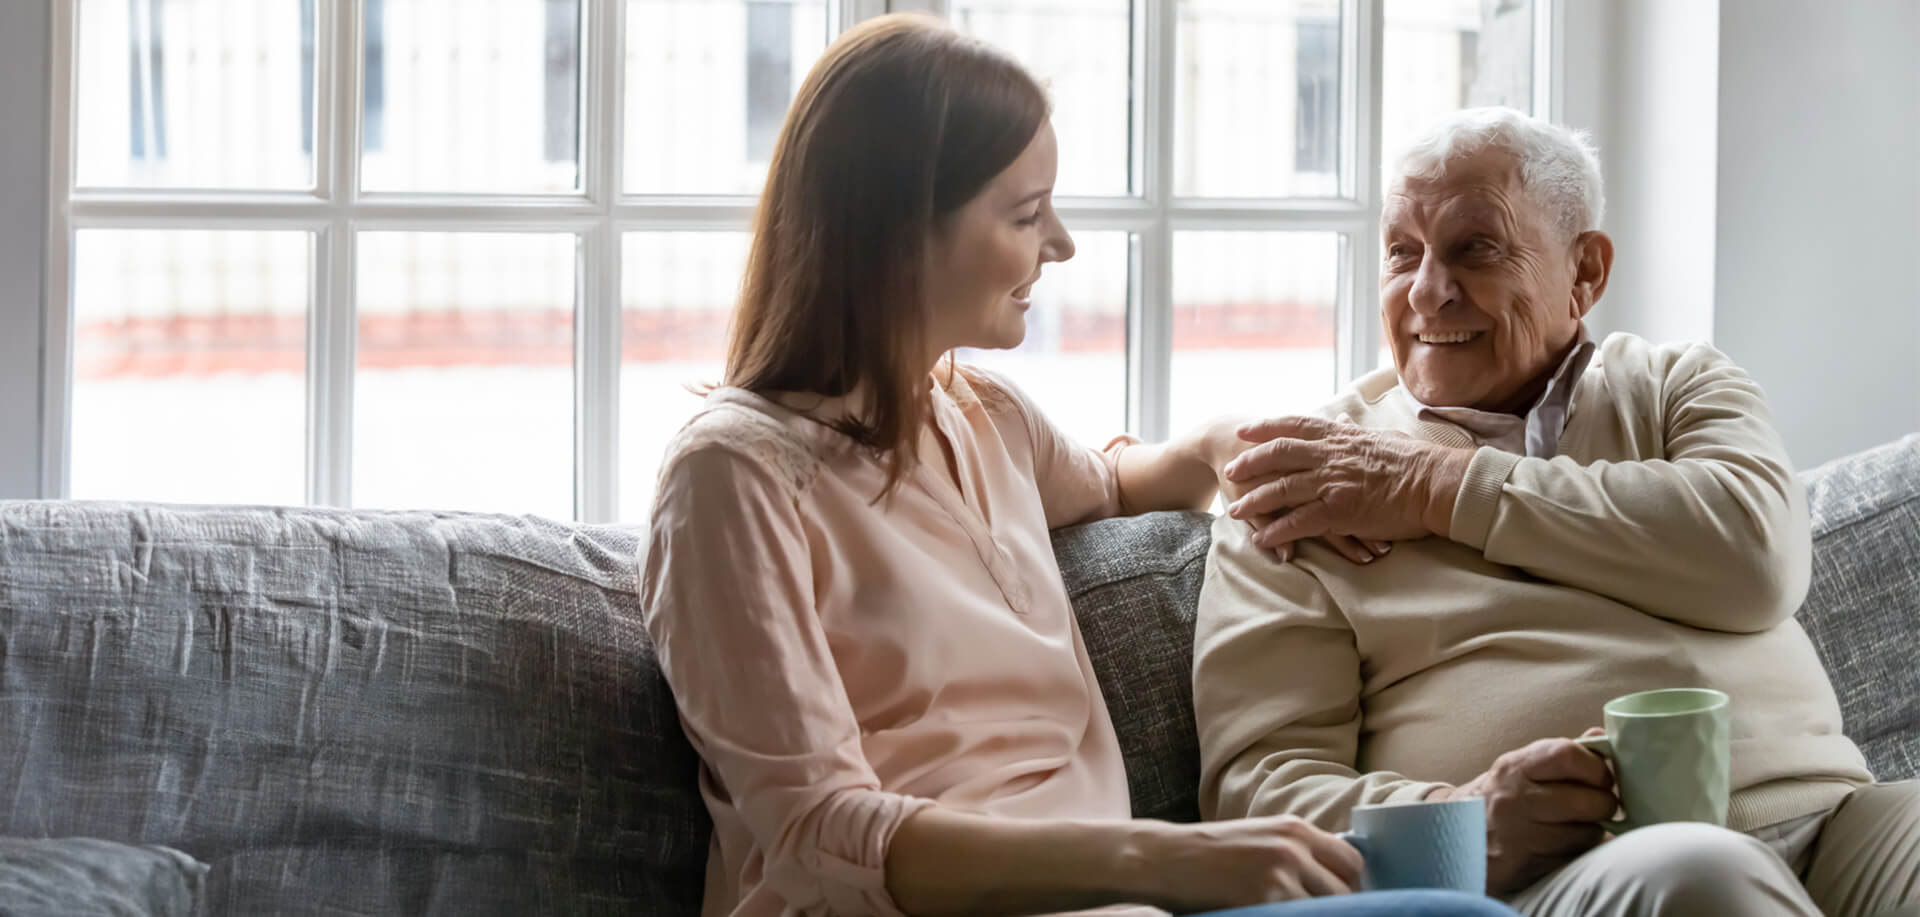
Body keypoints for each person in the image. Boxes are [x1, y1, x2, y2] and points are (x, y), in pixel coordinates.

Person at [641, 13, 1517, 917]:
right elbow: (818, 831)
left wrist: (1229, 444)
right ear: (899, 229)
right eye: (1025, 214)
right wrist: (1161, 857)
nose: (1060, 244)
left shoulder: (986, 418)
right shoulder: (730, 477)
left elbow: (1122, 482)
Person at [1192, 106, 1920, 917]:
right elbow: (1258, 790)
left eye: (1476, 249)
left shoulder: (1678, 385)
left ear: (1585, 274)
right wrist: (1464, 817)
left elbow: (1755, 559)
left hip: (1836, 820)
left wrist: (1440, 488)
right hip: (1582, 871)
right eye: (1403, 253)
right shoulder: (1308, 482)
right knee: (1700, 873)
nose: (1428, 292)